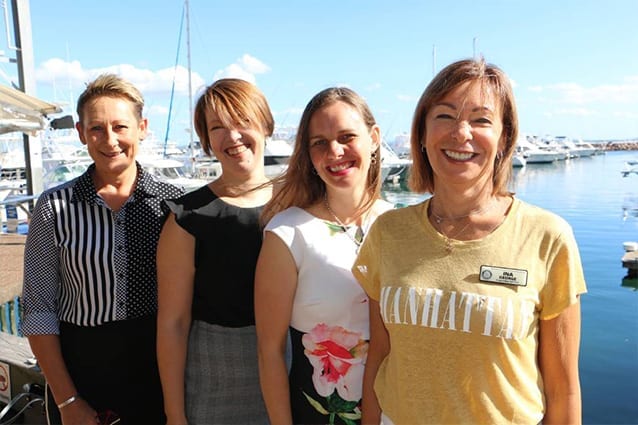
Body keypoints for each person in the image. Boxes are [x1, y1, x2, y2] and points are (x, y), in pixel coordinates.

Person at [352, 58, 587, 425]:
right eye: (444, 116)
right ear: (422, 134)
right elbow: (380, 355)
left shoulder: (548, 237)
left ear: (504, 137)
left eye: (481, 119)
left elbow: (564, 388)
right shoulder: (388, 232)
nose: (461, 133)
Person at [21, 73, 184, 425]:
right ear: (81, 133)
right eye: (96, 128)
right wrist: (67, 401)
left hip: (159, 370)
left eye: (120, 127)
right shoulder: (54, 207)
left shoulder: (175, 205)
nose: (109, 140)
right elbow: (38, 310)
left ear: (142, 128)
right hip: (81, 372)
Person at [255, 87, 393, 425]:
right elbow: (269, 352)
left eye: (347, 136)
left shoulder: (400, 226)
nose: (335, 151)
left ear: (374, 138)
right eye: (320, 142)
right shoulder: (287, 234)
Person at [156, 78, 274, 424]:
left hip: (293, 369)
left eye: (242, 121)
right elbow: (173, 324)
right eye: (217, 127)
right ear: (207, 141)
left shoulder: (298, 204)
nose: (232, 136)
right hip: (214, 379)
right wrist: (175, 414)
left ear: (266, 125)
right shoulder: (187, 217)